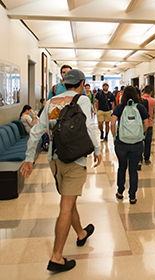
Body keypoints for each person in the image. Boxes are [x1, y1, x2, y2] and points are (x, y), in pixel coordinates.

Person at [20, 69, 102, 273]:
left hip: (55, 160)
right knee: (66, 205)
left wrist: (29, 158)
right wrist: (98, 150)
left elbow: (37, 132)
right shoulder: (82, 100)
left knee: (69, 199)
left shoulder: (50, 102)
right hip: (75, 159)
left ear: (64, 83)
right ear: (82, 83)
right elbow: (90, 128)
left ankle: (81, 233)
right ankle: (56, 257)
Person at [111, 86, 149, 204]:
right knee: (133, 170)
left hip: (122, 143)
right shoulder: (140, 107)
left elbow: (112, 123)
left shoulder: (119, 107)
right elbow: (146, 123)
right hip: (136, 144)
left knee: (122, 167)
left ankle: (120, 192)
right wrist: (139, 134)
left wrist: (115, 137)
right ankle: (132, 196)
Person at [141, 85, 155, 164]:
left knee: (140, 141)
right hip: (149, 124)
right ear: (151, 92)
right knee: (148, 141)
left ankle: (140, 157)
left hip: (141, 124)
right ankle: (147, 158)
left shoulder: (139, 100)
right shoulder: (153, 100)